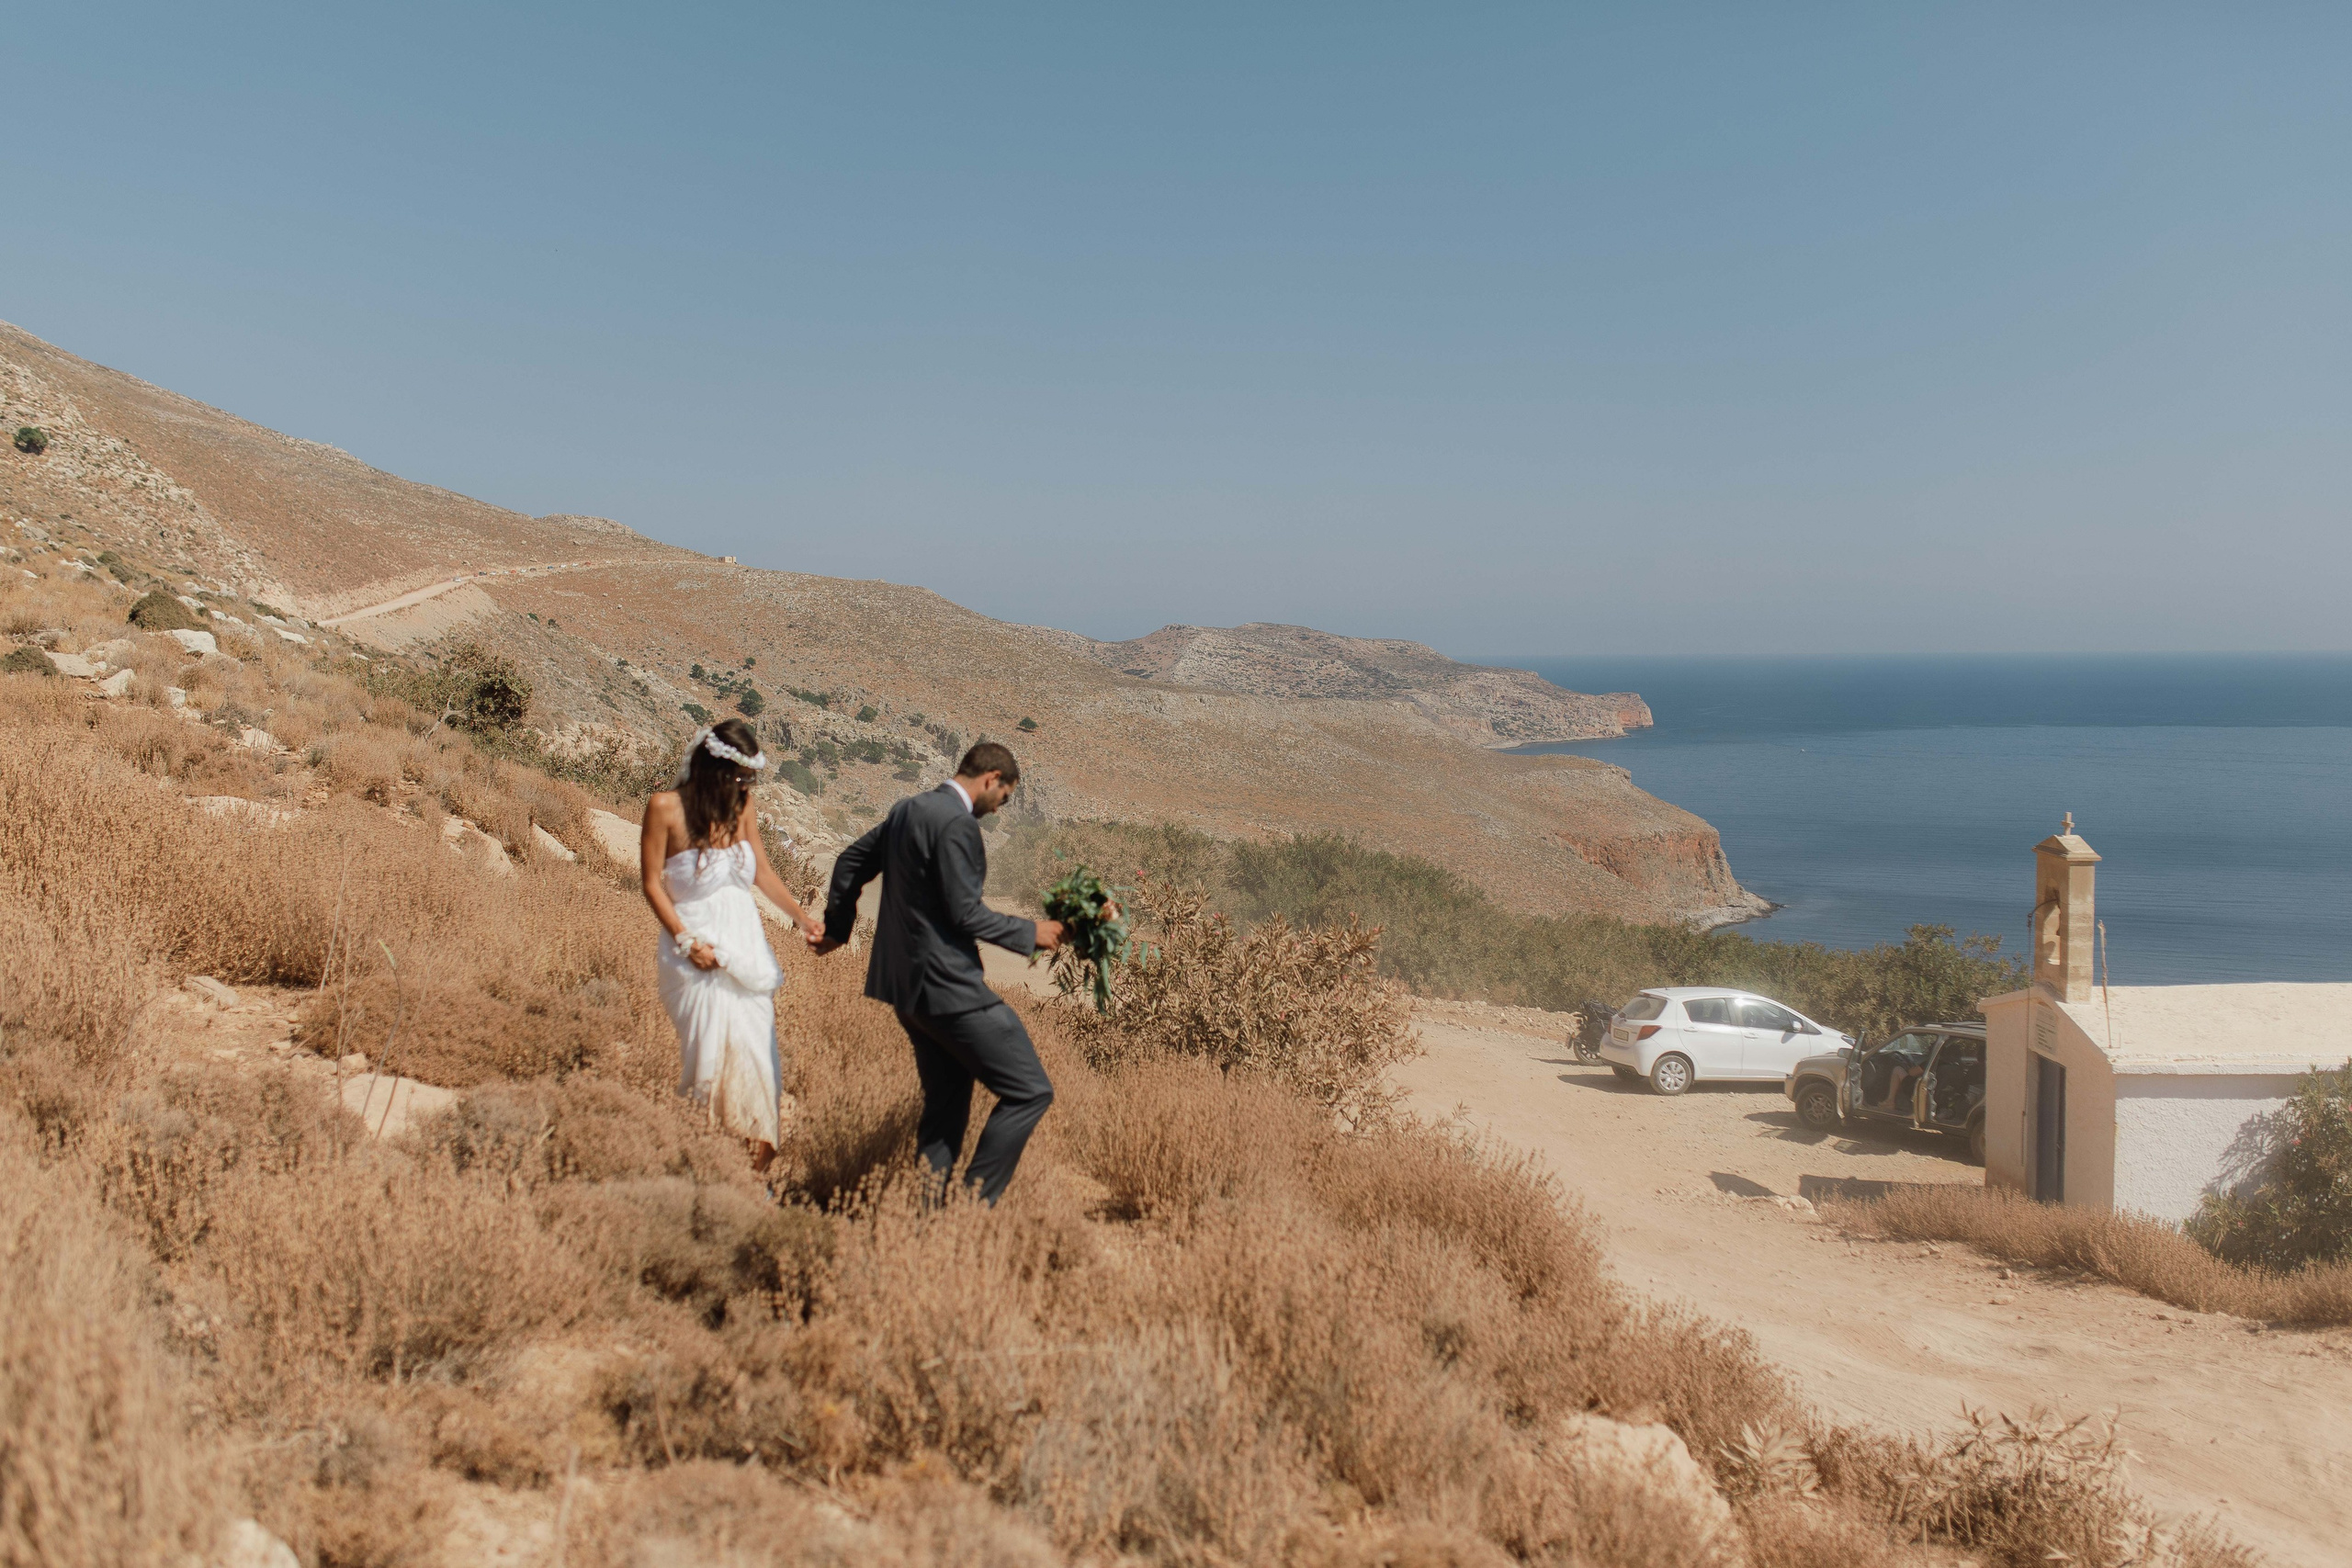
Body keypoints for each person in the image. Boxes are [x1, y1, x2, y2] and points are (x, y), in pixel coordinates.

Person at [812, 741, 1063, 1204]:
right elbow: (965, 914)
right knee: (1030, 1091)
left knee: (946, 1110)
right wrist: (1033, 932)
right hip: (947, 987)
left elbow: (851, 861)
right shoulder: (957, 824)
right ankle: (971, 1210)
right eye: (1004, 797)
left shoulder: (910, 809)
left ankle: (928, 1221)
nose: (1000, 808)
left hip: (905, 991)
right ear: (992, 779)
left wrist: (839, 930)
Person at [640, 718, 825, 1173]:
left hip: (746, 951)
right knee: (707, 1064)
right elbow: (651, 884)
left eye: (750, 779)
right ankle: (695, 1168)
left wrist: (801, 917)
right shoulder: (664, 807)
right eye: (739, 777)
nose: (745, 786)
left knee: (760, 1066)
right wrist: (686, 941)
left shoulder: (742, 807)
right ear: (713, 767)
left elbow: (760, 871)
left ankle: (752, 1179)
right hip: (694, 952)